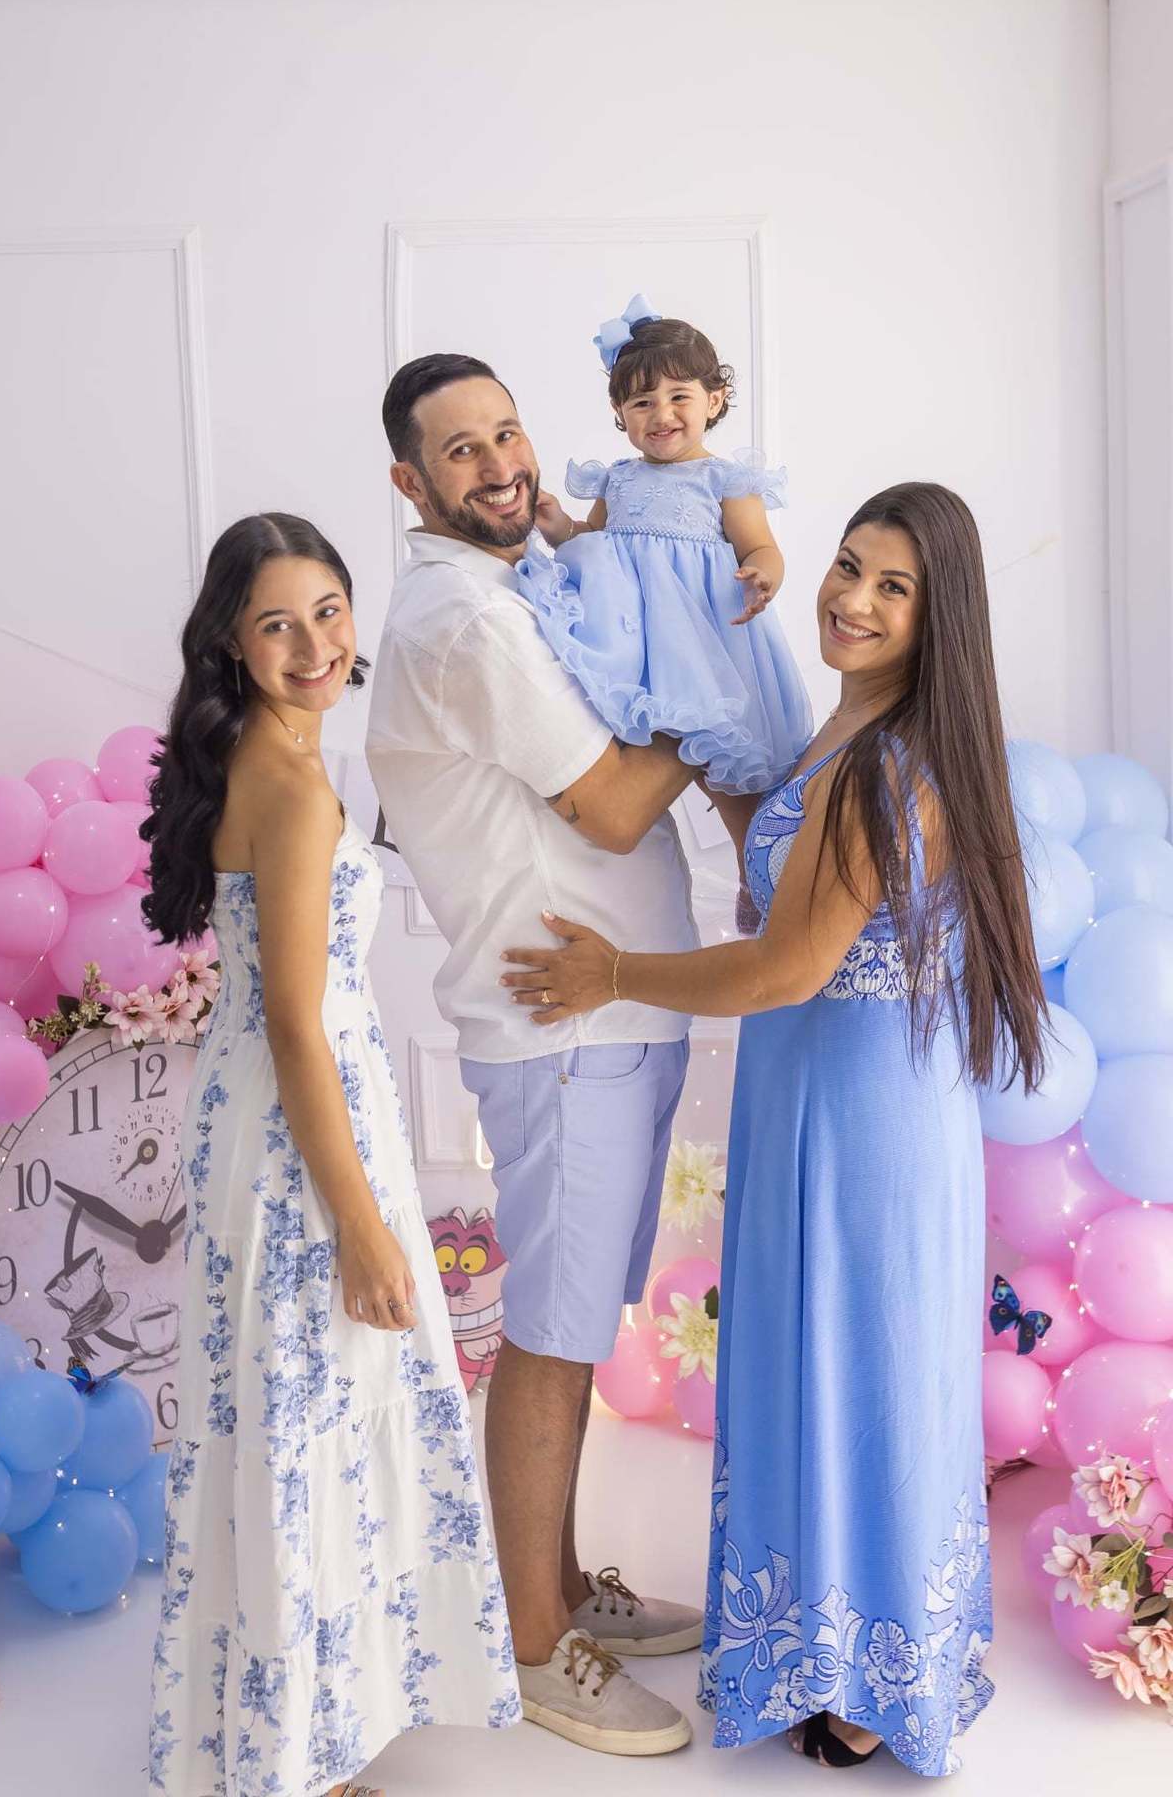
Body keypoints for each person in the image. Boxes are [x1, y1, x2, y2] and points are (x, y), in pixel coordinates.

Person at [501, 483, 1047, 1776]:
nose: (851, 599)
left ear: (937, 620)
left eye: (891, 588)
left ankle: (867, 1668)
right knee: (828, 1363)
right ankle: (822, 1640)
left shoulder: (885, 766)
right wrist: (696, 742)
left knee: (859, 1371)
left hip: (860, 1118)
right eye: (849, 566)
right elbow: (783, 876)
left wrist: (613, 976)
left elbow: (787, 966)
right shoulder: (842, 738)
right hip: (823, 1100)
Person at [143, 513, 518, 1797]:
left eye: (326, 612)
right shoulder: (292, 787)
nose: (310, 644)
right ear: (233, 646)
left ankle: (292, 1726)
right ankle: (299, 1755)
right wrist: (361, 1222)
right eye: (274, 623)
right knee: (308, 1411)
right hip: (302, 1126)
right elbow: (300, 1027)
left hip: (267, 1111)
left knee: (293, 1412)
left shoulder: (277, 757)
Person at [366, 355, 704, 1758]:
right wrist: (713, 687)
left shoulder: (507, 587)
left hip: (615, 1022)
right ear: (410, 483)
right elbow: (619, 805)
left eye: (506, 432)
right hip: (568, 1036)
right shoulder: (463, 624)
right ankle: (531, 1645)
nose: (502, 464)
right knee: (552, 1353)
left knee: (575, 1334)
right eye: (461, 452)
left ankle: (560, 1587)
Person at [518, 294, 812, 917]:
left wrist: (763, 573)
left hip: (705, 639)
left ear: (715, 399)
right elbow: (592, 548)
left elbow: (761, 545)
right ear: (620, 414)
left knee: (727, 766)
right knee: (638, 754)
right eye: (642, 402)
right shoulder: (618, 479)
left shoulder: (724, 480)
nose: (662, 414)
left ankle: (752, 871)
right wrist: (556, 525)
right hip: (633, 642)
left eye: (680, 396)